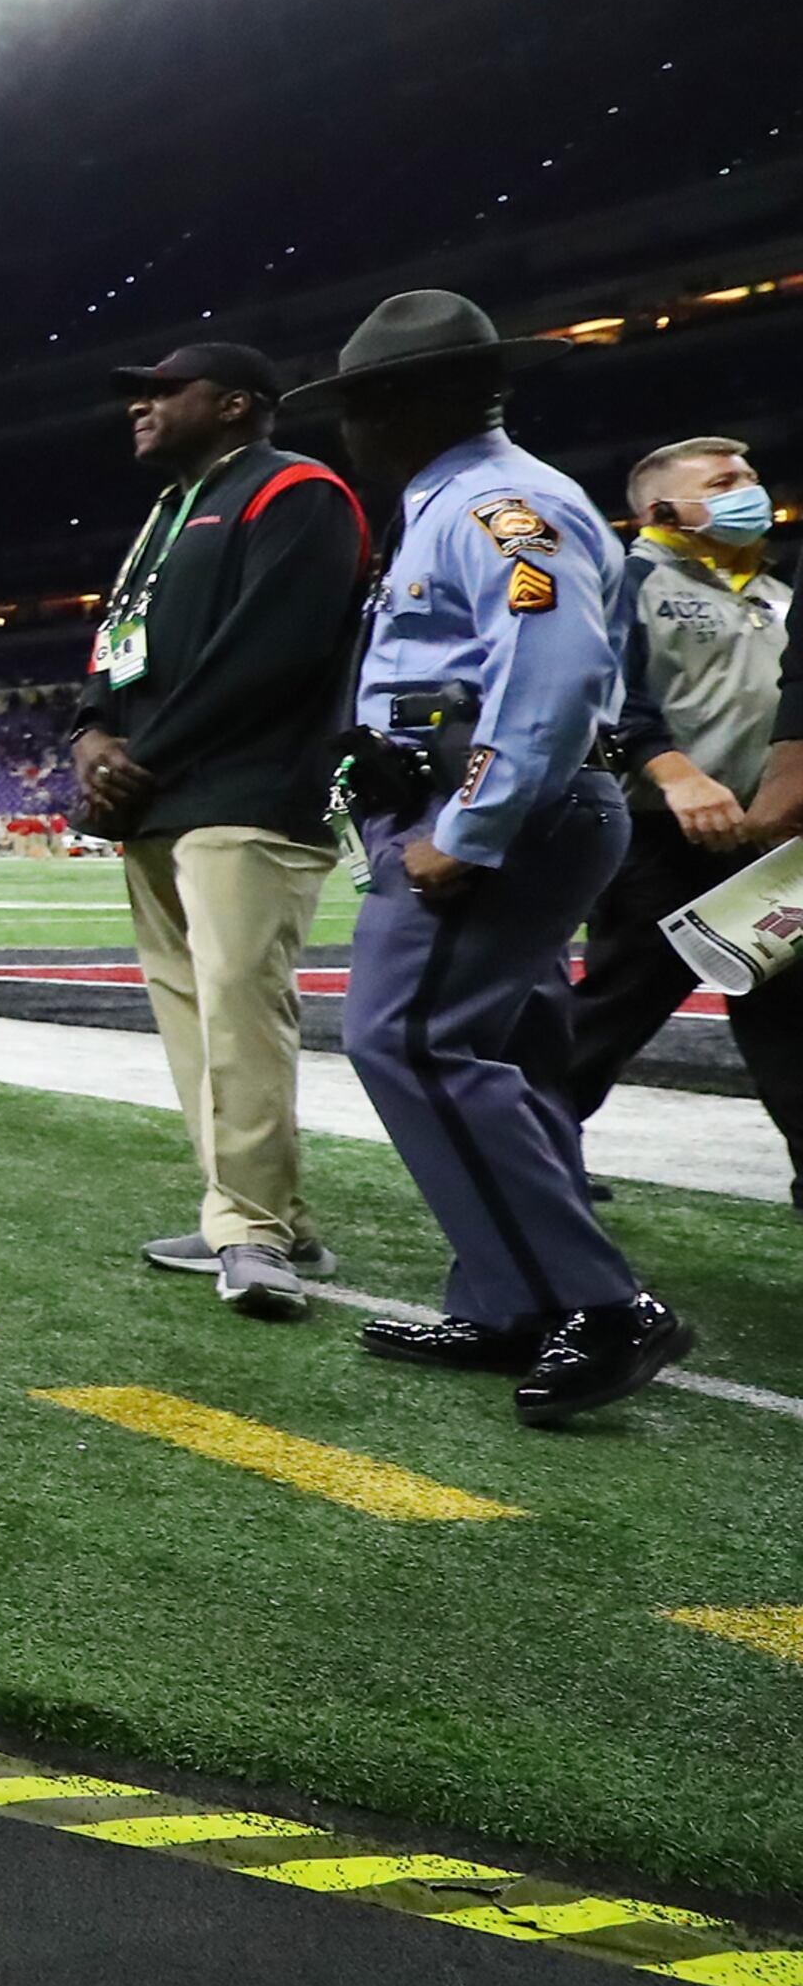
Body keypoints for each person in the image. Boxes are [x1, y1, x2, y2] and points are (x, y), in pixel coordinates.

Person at [287, 290, 693, 1425]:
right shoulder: (460, 504)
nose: (349, 434)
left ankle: (600, 1304)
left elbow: (552, 666)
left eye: (360, 409)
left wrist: (467, 831)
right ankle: (513, 1296)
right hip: (492, 807)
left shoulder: (501, 505)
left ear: (408, 406)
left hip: (501, 816)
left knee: (408, 1037)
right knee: (504, 1044)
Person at [63, 343, 369, 1317]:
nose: (139, 407)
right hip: (162, 799)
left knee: (240, 1008)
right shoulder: (167, 513)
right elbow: (120, 645)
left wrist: (141, 754)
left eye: (162, 391)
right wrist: (90, 733)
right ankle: (257, 1208)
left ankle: (252, 1230)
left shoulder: (297, 492)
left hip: (249, 792)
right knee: (195, 1018)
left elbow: (275, 652)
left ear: (237, 404)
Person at [560, 439, 803, 1201]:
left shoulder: (772, 587)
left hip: (769, 840)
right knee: (615, 1006)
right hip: (661, 833)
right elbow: (601, 698)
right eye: (725, 482)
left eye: (752, 478)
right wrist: (675, 771)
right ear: (661, 508)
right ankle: (533, 1154)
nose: (750, 491)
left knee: (792, 1014)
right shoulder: (626, 579)